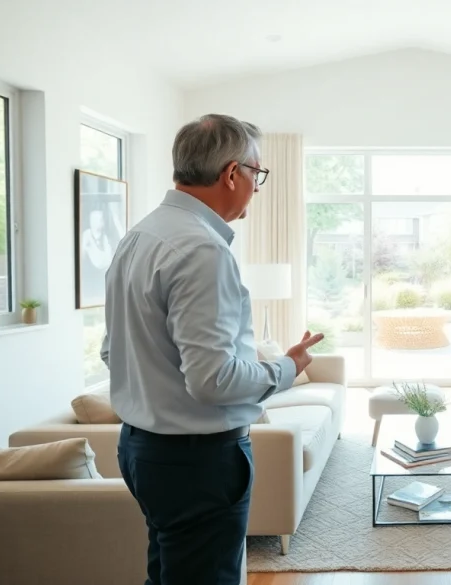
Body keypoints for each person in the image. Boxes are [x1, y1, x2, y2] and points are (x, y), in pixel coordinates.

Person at [101, 113, 324, 585]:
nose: (257, 188)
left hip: (142, 449)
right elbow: (213, 380)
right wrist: (287, 367)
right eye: (257, 174)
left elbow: (111, 351)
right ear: (231, 173)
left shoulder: (138, 237)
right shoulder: (201, 249)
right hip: (196, 463)